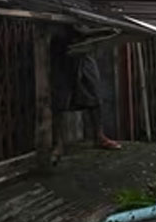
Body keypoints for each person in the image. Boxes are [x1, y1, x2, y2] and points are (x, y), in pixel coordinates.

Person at [51, 27, 121, 161]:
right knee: (60, 98)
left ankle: (99, 136)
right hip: (62, 50)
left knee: (94, 91)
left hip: (84, 49)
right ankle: (58, 143)